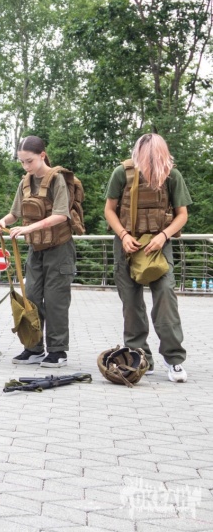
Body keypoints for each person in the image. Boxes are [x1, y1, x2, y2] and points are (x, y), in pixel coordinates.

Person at [103, 133, 190, 382]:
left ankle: (174, 359)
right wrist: (123, 235)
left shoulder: (172, 176)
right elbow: (109, 210)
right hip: (127, 245)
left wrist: (163, 236)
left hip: (159, 245)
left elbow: (182, 214)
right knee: (131, 304)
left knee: (166, 299)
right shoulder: (122, 173)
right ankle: (139, 357)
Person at [0, 136, 75, 368]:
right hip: (36, 250)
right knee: (32, 298)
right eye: (22, 162)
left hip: (59, 249)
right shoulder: (25, 183)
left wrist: (29, 228)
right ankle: (34, 348)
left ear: (42, 155)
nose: (26, 166)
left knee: (56, 301)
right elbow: (14, 214)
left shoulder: (57, 180)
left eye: (30, 161)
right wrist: (0, 223)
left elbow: (61, 215)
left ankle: (58, 351)